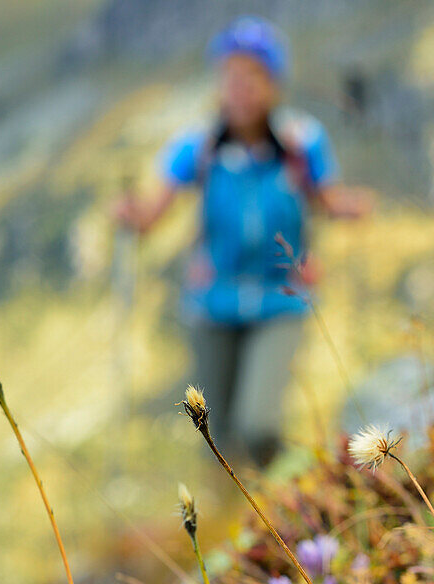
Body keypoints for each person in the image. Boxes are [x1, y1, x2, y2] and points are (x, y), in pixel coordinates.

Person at [115, 16, 372, 466]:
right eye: (232, 76)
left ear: (274, 84)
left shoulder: (301, 142)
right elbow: (150, 216)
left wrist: (350, 207)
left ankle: (280, 507)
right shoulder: (198, 147)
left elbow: (326, 200)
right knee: (214, 433)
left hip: (282, 301)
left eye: (254, 75)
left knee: (258, 426)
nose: (241, 87)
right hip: (212, 305)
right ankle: (234, 516)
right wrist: (131, 216)